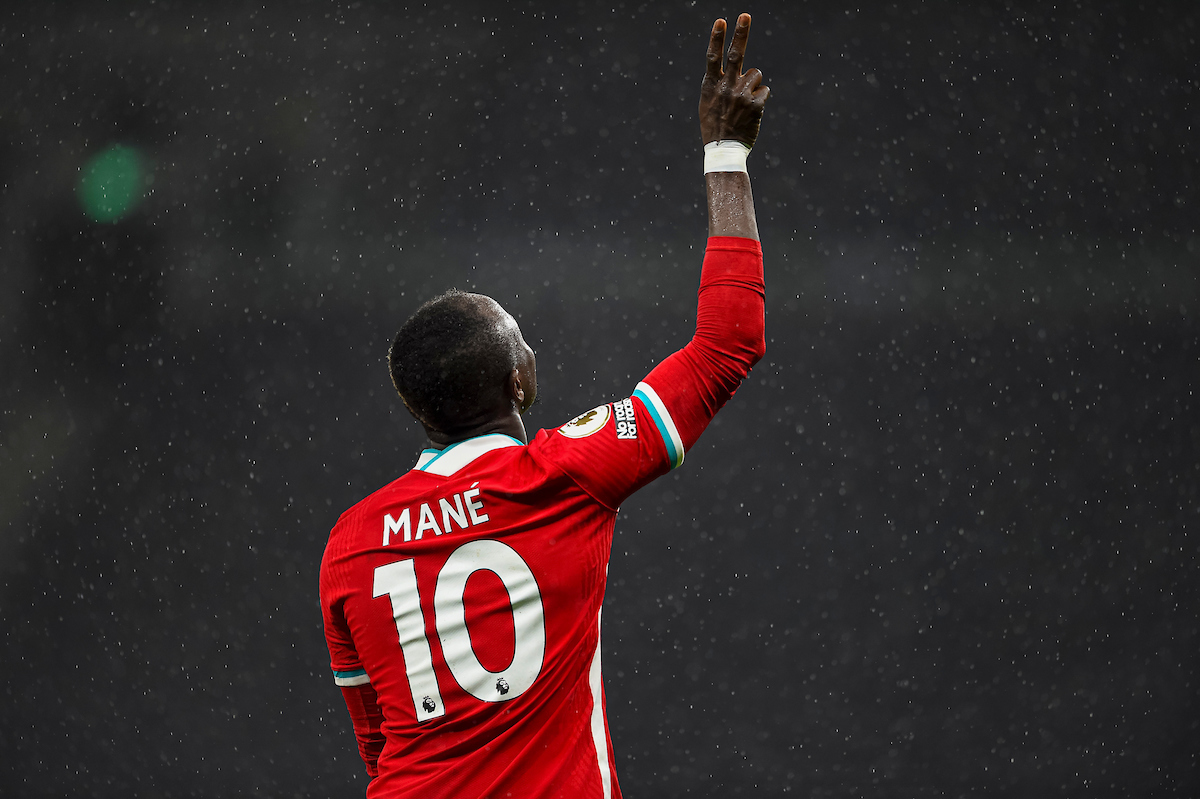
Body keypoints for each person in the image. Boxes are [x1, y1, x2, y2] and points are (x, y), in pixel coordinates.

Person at [320, 13, 770, 798]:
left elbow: (379, 742)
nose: (532, 353)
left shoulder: (350, 545)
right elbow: (728, 344)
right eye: (521, 341)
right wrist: (726, 152)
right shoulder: (564, 475)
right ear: (517, 383)